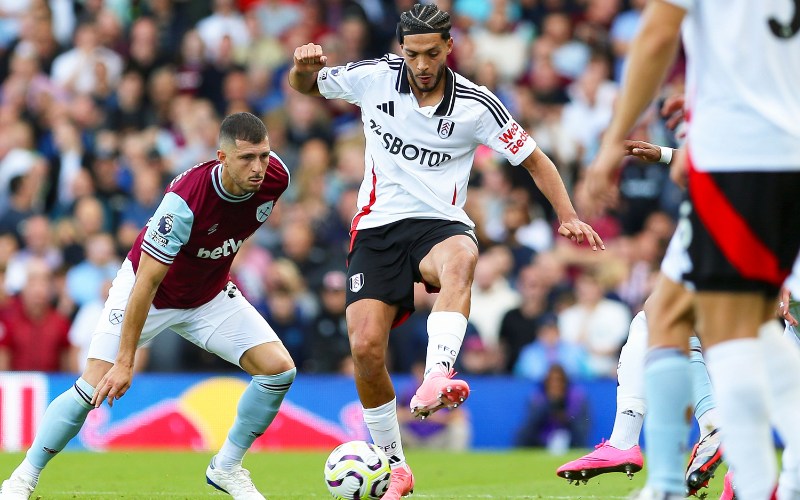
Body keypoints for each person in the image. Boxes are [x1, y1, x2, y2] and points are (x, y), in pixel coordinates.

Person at [288, 3, 604, 498]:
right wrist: (302, 71)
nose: (421, 64)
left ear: (448, 48)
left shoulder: (477, 106)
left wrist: (567, 214)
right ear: (401, 49)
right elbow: (307, 87)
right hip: (377, 227)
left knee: (462, 257)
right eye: (412, 53)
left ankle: (438, 373)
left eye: (431, 53)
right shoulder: (372, 78)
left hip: (440, 223)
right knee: (366, 350)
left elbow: (535, 159)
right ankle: (395, 465)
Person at [0, 112, 296, 500]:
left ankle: (226, 467)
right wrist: (125, 360)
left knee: (279, 371)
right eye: (246, 158)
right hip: (149, 292)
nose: (258, 167)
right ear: (221, 157)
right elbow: (147, 283)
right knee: (92, 385)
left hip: (207, 295)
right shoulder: (185, 201)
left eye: (264, 155)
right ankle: (22, 477)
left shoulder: (277, 177)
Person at [587, 0, 800, 496]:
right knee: (672, 314)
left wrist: (612, 140)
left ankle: (722, 476)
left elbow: (659, 35)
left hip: (740, 160)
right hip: (768, 153)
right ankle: (684, 474)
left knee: (723, 329)